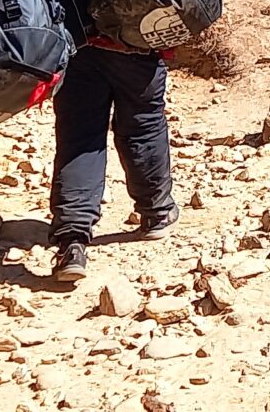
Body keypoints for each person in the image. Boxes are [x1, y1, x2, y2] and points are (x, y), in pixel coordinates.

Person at [48, 41, 178, 280]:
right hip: (141, 51)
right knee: (144, 130)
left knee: (80, 139)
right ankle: (156, 213)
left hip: (81, 48)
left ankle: (72, 242)